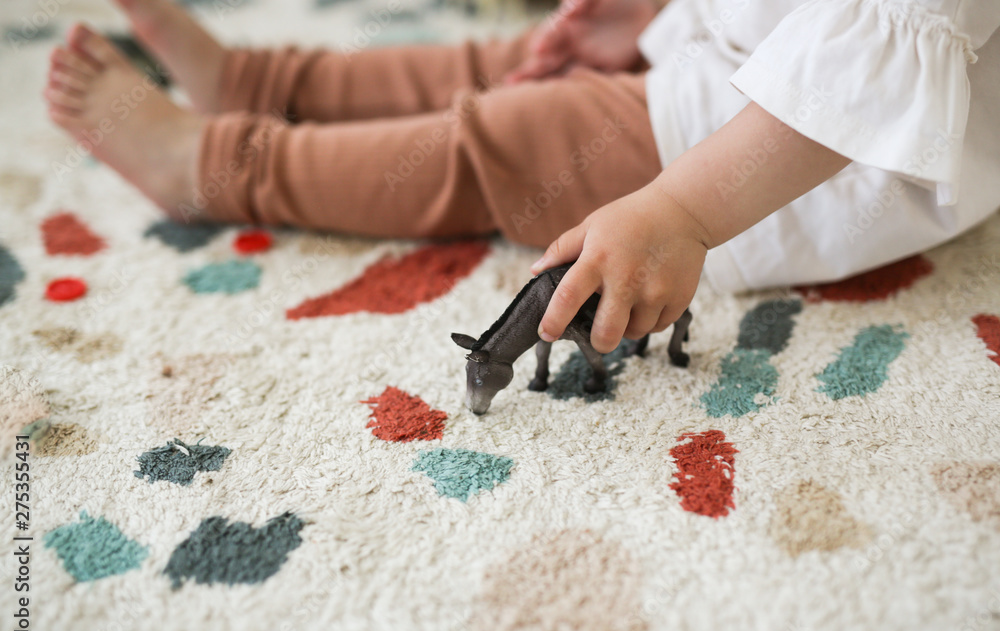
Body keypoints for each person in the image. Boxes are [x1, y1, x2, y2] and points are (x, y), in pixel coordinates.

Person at [44, 0, 1000, 355]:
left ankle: (217, 169)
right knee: (508, 57)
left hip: (794, 156)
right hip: (739, 54)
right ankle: (256, 84)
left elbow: (852, 83)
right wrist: (658, 12)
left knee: (507, 136)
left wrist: (679, 209)